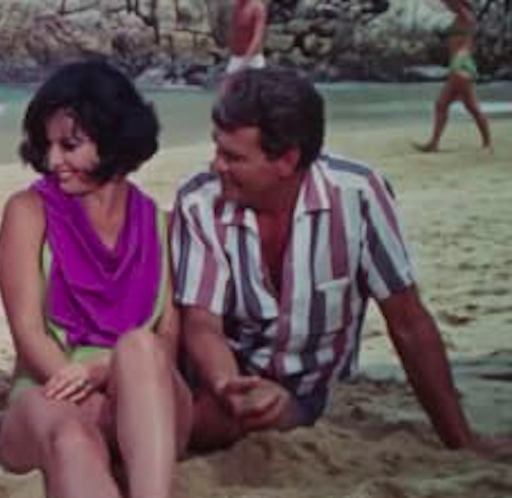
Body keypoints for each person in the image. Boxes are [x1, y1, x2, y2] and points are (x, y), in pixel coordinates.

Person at [172, 68, 507, 454]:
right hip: (221, 380)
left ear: (286, 160)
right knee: (193, 416)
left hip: (310, 393)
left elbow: (408, 323)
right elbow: (201, 324)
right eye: (217, 149)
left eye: (233, 156)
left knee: (199, 424)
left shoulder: (358, 194)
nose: (216, 165)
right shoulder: (198, 201)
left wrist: (460, 441)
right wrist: (231, 389)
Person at [0, 60, 193, 498]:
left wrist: (105, 372)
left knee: (140, 346)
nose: (52, 161)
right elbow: (28, 332)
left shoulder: (159, 223)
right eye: (47, 146)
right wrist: (75, 380)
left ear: (117, 138)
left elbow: (167, 342)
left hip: (147, 401)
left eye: (70, 145)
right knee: (69, 432)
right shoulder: (28, 212)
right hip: (53, 386)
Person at [414, 0, 492, 153]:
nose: (448, 7)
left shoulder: (465, 16)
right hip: (458, 65)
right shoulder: (460, 17)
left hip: (461, 65)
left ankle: (487, 144)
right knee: (450, 105)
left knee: (458, 105)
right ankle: (434, 143)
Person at [226, 0, 268, 74]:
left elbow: (257, 36)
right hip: (237, 56)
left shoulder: (257, 7)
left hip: (254, 59)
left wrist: (246, 59)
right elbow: (233, 30)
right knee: (227, 82)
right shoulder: (236, 6)